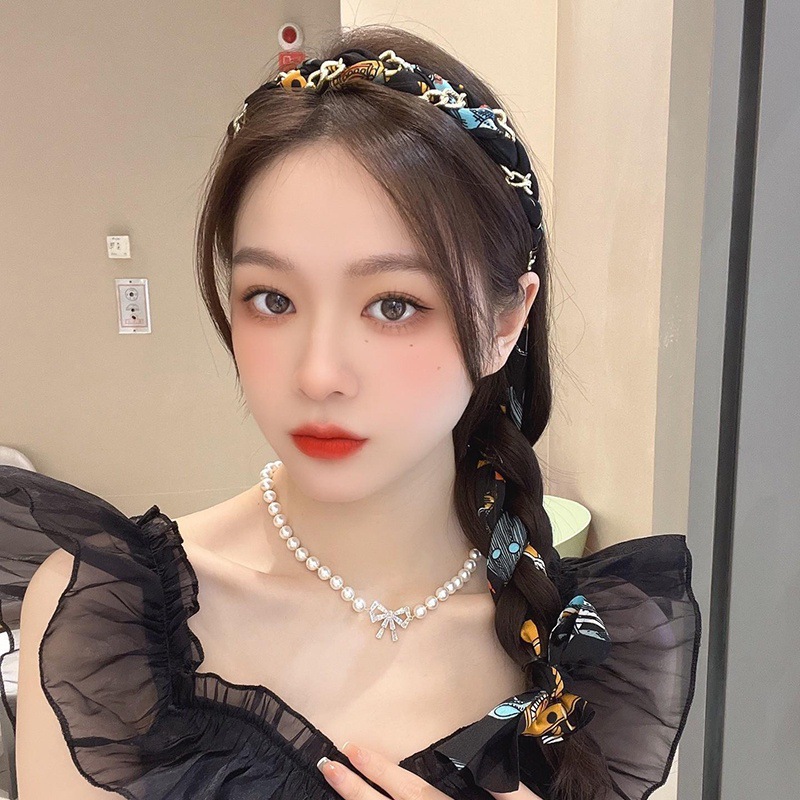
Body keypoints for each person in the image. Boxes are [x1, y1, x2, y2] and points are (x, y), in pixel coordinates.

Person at [0, 23, 701, 800]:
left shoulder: (589, 652)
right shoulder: (104, 623)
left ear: (506, 321)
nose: (319, 374)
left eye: (394, 304)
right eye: (273, 299)